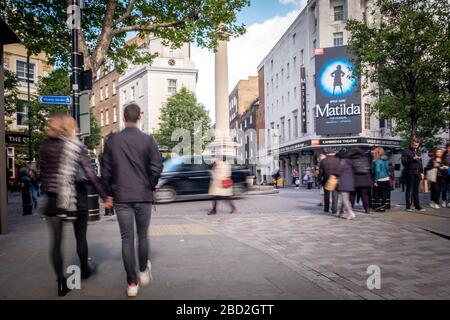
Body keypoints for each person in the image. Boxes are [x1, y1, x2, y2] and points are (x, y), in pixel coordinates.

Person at [39, 113, 111, 297]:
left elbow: (44, 173)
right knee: (81, 238)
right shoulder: (76, 147)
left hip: (54, 201)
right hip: (75, 199)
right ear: (70, 127)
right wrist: (104, 195)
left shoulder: (45, 146)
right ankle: (85, 270)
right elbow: (90, 174)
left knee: (56, 243)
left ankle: (61, 284)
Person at [101, 103, 163, 298]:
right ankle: (144, 271)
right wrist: (150, 185)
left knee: (126, 238)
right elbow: (156, 167)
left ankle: (132, 283)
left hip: (121, 197)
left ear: (122, 117)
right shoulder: (148, 140)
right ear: (139, 117)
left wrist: (108, 194)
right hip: (143, 195)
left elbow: (106, 171)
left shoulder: (112, 141)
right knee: (142, 235)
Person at [401, 138, 425, 212]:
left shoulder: (418, 151)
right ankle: (408, 206)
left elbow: (420, 162)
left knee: (416, 190)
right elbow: (403, 161)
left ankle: (417, 205)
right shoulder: (406, 150)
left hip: (417, 172)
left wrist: (422, 172)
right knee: (409, 189)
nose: (416, 146)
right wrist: (413, 159)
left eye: (417, 145)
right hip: (409, 172)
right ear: (411, 143)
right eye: (415, 145)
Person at [348, 147, 372, 214]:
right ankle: (367, 209)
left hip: (354, 180)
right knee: (364, 195)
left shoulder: (349, 160)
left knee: (352, 195)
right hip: (365, 180)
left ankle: (351, 209)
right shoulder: (365, 159)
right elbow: (369, 169)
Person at [335, 150, 356, 220]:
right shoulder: (349, 162)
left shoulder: (342, 162)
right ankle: (343, 213)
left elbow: (337, 172)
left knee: (345, 199)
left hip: (344, 183)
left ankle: (351, 213)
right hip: (350, 182)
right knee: (344, 198)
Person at [372, 147, 391, 212]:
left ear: (377, 153)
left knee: (377, 194)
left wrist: (375, 180)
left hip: (379, 179)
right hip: (386, 178)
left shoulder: (377, 161)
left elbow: (377, 171)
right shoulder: (386, 160)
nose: (373, 153)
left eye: (374, 152)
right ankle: (384, 206)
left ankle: (379, 207)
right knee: (384, 193)